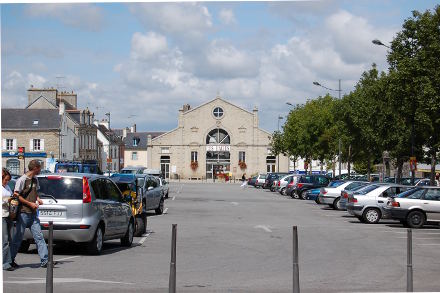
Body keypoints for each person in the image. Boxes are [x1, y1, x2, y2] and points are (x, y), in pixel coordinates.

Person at [10, 160, 49, 268]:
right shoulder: (22, 180)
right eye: (39, 168)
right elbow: (16, 195)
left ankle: (45, 260)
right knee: (18, 238)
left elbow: (35, 192)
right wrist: (29, 204)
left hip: (33, 213)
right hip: (23, 213)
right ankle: (10, 260)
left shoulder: (35, 179)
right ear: (35, 168)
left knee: (39, 237)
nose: (40, 170)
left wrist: (38, 199)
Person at [2, 168, 14, 271]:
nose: (7, 182)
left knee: (10, 239)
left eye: (8, 180)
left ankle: (10, 261)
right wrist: (7, 200)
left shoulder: (7, 187)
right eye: (5, 180)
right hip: (2, 215)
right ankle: (5, 263)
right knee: (4, 240)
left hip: (9, 214)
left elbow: (11, 196)